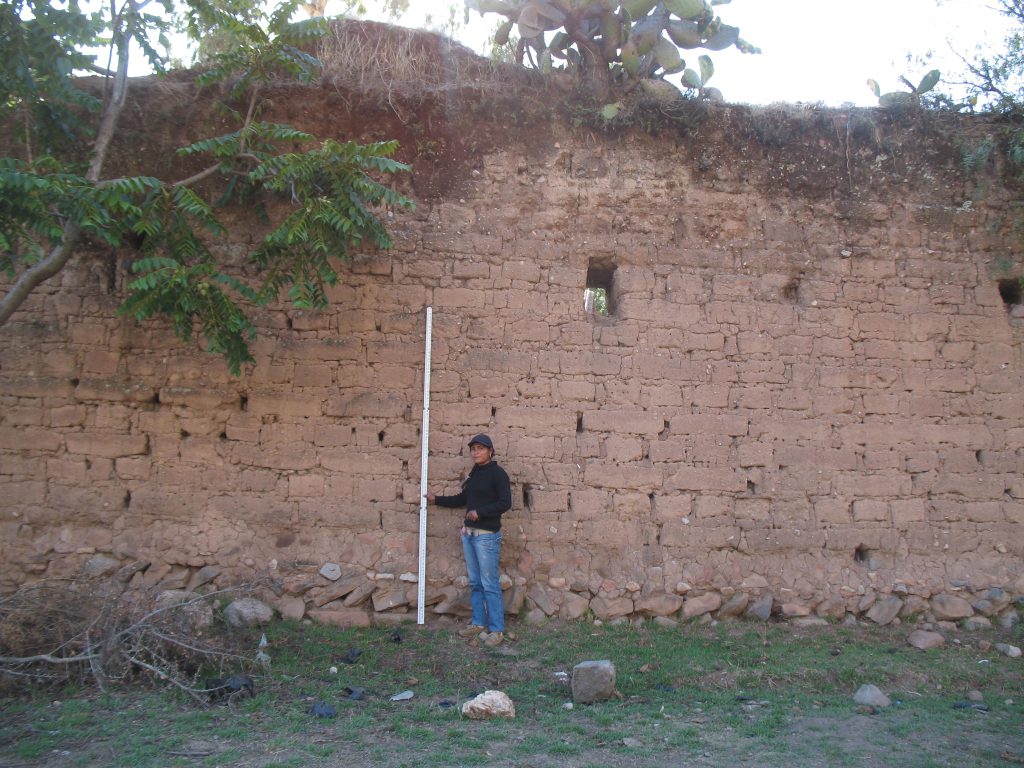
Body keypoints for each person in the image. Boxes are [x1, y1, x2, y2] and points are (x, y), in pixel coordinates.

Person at [427, 433, 512, 647]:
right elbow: (463, 499)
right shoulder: (474, 474)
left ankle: (497, 630)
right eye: (473, 449)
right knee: (475, 583)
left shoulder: (498, 474)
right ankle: (478, 622)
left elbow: (505, 503)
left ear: (490, 451)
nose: (476, 452)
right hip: (470, 536)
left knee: (490, 584)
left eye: (480, 448)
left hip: (486, 537)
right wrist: (436, 499)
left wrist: (480, 513)